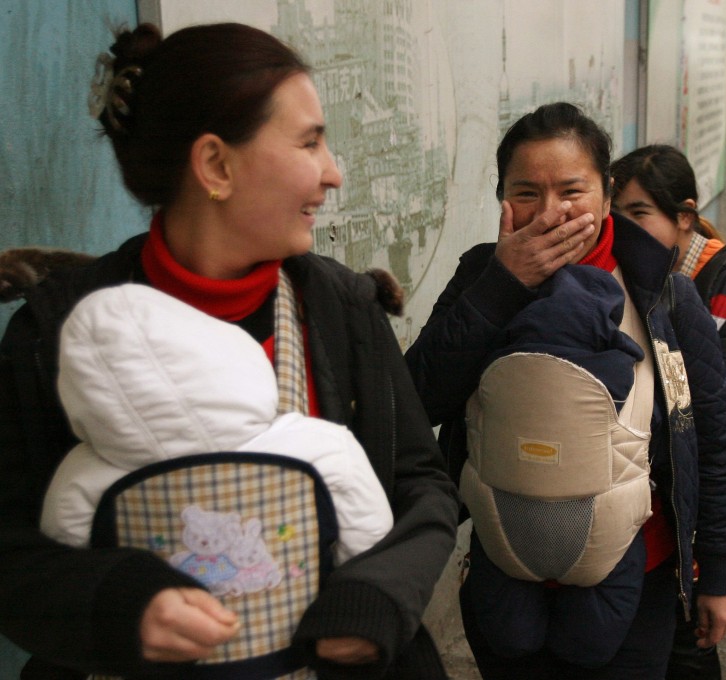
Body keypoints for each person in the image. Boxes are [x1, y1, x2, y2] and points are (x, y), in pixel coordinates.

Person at [0, 22, 458, 679]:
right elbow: (11, 548)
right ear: (216, 165)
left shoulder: (341, 311)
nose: (333, 173)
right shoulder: (58, 336)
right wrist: (117, 603)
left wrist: (377, 595)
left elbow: (423, 485)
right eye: (310, 142)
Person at [405, 102, 726, 679]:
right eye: (526, 193)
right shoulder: (479, 277)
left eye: (571, 191)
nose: (550, 213)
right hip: (503, 565)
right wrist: (503, 285)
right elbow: (418, 399)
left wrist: (720, 573)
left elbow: (712, 437)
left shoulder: (663, 296)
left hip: (636, 578)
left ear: (607, 194)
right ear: (502, 198)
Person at [40, 283, 395, 569]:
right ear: (227, 352)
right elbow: (369, 536)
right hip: (298, 626)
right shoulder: (319, 445)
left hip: (158, 634)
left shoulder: (81, 475)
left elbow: (66, 555)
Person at [611, 144, 726, 680]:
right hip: (641, 513)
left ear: (684, 217)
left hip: (693, 512)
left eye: (639, 213)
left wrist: (720, 570)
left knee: (689, 647)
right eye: (615, 214)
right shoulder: (617, 280)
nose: (622, 230)